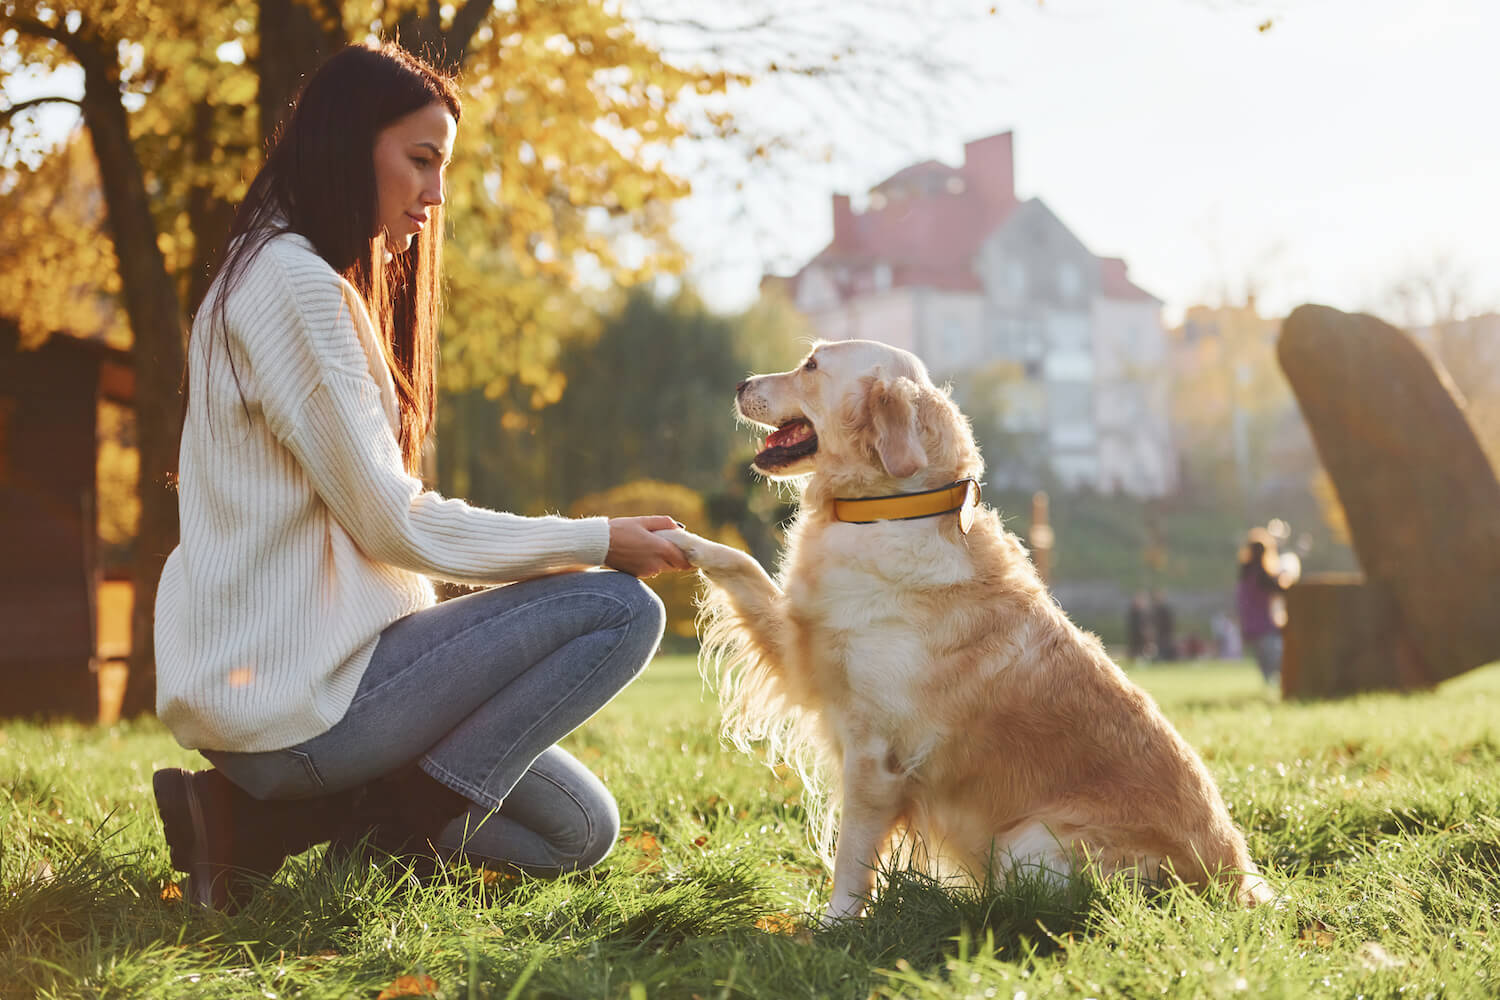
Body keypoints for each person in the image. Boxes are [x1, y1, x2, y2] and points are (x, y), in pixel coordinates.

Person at [150, 42, 692, 910]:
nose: (435, 195)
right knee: (618, 607)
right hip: (296, 702)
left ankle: (276, 823)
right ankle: (293, 822)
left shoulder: (274, 273)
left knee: (578, 832)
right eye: (421, 160)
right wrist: (597, 540)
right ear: (346, 143)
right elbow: (393, 524)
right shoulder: (292, 283)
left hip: (315, 692)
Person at [1236, 527, 1299, 685]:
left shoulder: (1245, 571)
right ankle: (1277, 688)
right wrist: (1286, 575)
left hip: (1250, 624)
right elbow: (1281, 589)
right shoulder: (1262, 574)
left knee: (1264, 663)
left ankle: (1270, 688)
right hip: (1265, 625)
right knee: (1275, 661)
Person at [1150, 588, 1176, 662]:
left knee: (1165, 647)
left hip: (1165, 633)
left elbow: (1170, 622)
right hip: (1158, 633)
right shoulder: (1154, 608)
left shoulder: (1165, 609)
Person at [1125, 590, 1152, 662]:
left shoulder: (1143, 612)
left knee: (1143, 648)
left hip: (1141, 634)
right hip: (1135, 633)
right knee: (1135, 648)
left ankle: (1142, 659)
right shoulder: (1134, 612)